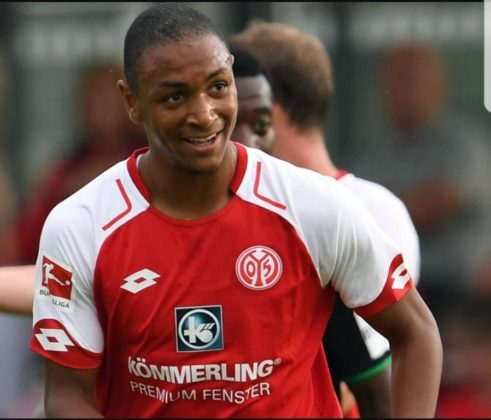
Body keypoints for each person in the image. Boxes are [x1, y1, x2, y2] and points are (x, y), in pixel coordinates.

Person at [28, 3, 441, 417]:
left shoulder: (314, 206)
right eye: (175, 96)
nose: (204, 114)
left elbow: (415, 331)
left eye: (218, 87)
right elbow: (67, 394)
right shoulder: (81, 225)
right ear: (132, 102)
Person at [229, 27, 420, 418]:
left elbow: (366, 379)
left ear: (263, 105)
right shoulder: (233, 213)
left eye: (220, 92)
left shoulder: (369, 209)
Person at [352, 41, 491, 303]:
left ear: (439, 85)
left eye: (411, 79)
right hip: (389, 292)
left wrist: (382, 209)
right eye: (393, 81)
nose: (401, 91)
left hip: (460, 294)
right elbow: (351, 212)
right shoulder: (373, 148)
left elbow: (439, 203)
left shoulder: (464, 142)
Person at [14, 59, 147, 265]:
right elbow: (27, 244)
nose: (100, 112)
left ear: (129, 104)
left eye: (107, 102)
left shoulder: (149, 162)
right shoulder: (64, 174)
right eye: (93, 101)